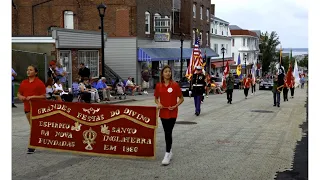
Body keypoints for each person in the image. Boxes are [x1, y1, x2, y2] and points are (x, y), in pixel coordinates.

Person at [154, 65, 184, 166]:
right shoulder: (158, 85)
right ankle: (169, 151)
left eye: (169, 72)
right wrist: (158, 104)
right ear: (162, 74)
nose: (168, 73)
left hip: (172, 113)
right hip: (163, 113)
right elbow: (156, 98)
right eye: (166, 71)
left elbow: (181, 98)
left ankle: (167, 154)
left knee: (168, 131)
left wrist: (175, 105)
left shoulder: (175, 85)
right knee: (167, 132)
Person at [17, 65, 46, 154]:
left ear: (35, 72)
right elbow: (18, 93)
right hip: (27, 108)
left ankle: (32, 146)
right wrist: (21, 97)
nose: (28, 71)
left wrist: (33, 97)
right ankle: (39, 140)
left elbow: (44, 96)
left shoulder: (39, 83)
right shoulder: (24, 82)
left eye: (30, 70)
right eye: (27, 70)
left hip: (37, 108)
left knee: (34, 127)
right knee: (33, 126)